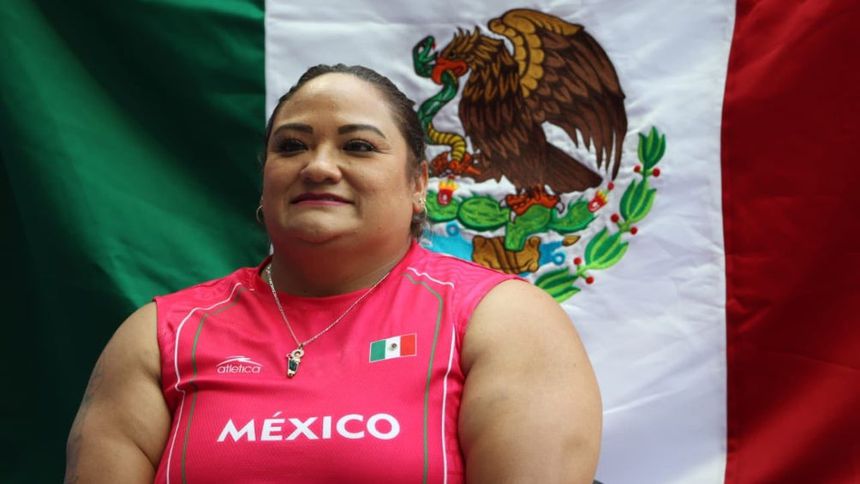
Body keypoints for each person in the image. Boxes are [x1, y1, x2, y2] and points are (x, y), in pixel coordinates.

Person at [64, 64, 602, 483]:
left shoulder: (500, 319)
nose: (318, 166)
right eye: (291, 146)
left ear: (418, 184)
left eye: (358, 146)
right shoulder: (162, 335)